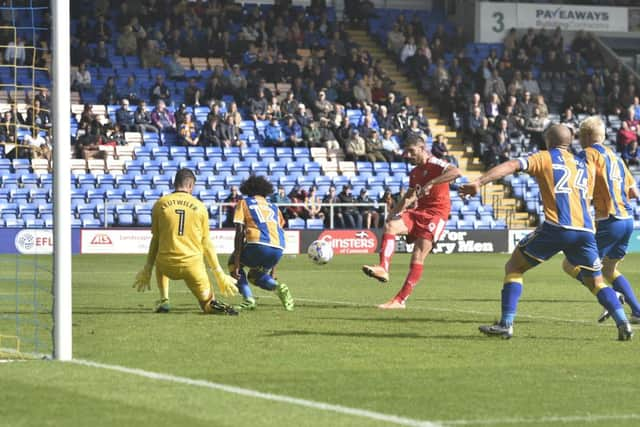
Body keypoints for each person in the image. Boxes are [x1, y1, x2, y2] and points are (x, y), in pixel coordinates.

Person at [458, 125, 632, 340]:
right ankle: (623, 322)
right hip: (586, 230)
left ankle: (506, 324)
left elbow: (512, 165)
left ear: (548, 140)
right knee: (596, 282)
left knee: (514, 267)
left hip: (557, 227)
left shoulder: (545, 157)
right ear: (569, 142)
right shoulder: (584, 163)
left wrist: (479, 181)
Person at [362, 136, 462, 308]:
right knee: (391, 225)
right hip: (418, 212)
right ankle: (383, 268)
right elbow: (409, 196)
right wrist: (393, 213)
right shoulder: (415, 172)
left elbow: (456, 172)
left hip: (436, 215)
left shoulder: (437, 164)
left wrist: (432, 182)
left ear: (422, 148)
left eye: (411, 151)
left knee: (417, 255)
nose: (408, 155)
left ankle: (399, 300)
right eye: (406, 151)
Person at [561, 117, 640, 324]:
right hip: (627, 220)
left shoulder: (587, 155)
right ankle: (638, 311)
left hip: (609, 220)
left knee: (569, 264)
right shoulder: (617, 158)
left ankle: (611, 297)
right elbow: (633, 191)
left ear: (586, 136)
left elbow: (582, 186)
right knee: (609, 269)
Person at [132, 168, 239, 315]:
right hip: (192, 266)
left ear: (174, 183)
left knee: (161, 256)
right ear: (191, 186)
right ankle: (215, 306)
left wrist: (148, 268)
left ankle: (164, 300)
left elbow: (155, 239)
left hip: (166, 265)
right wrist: (219, 272)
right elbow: (206, 243)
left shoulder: (160, 204)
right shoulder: (200, 207)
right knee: (207, 304)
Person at [229, 175, 295, 311]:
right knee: (254, 276)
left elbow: (239, 232)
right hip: (278, 248)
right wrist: (273, 271)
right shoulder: (274, 208)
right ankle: (278, 287)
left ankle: (248, 299)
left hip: (257, 244)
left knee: (232, 263)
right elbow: (277, 233)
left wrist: (236, 263)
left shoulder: (244, 203)